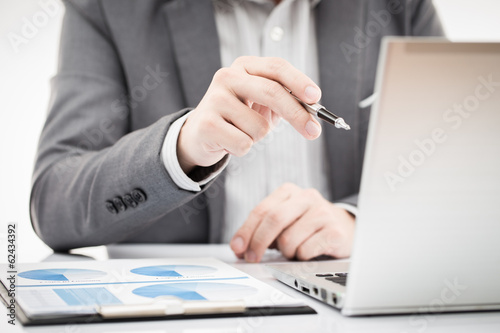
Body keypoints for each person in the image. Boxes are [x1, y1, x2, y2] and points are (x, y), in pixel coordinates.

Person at [30, 0, 444, 262]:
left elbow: (459, 171)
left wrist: (360, 221)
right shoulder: (106, 8)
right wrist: (180, 148)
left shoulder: (400, 6)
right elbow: (53, 202)